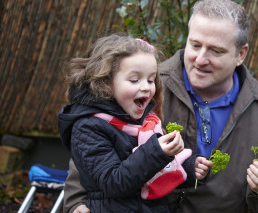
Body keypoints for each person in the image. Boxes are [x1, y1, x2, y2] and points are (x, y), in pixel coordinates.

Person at [62, 0, 258, 213]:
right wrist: (76, 205)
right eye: (195, 45)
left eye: (216, 51)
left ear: (240, 54)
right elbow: (89, 159)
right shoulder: (143, 88)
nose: (200, 59)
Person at [58, 34, 212, 212]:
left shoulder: (146, 123)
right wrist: (156, 153)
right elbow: (113, 182)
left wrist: (190, 168)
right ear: (105, 83)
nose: (146, 87)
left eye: (150, 79)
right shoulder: (88, 127)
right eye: (134, 80)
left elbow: (154, 176)